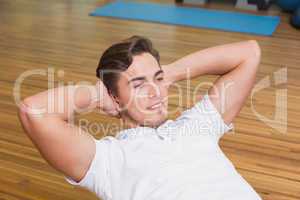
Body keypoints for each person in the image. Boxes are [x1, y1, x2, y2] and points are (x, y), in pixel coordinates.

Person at [18, 36, 262, 200]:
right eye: (138, 85)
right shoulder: (107, 161)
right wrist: (95, 96)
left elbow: (249, 53)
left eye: (158, 79)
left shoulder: (198, 125)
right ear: (114, 97)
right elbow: (34, 112)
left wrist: (170, 73)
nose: (156, 92)